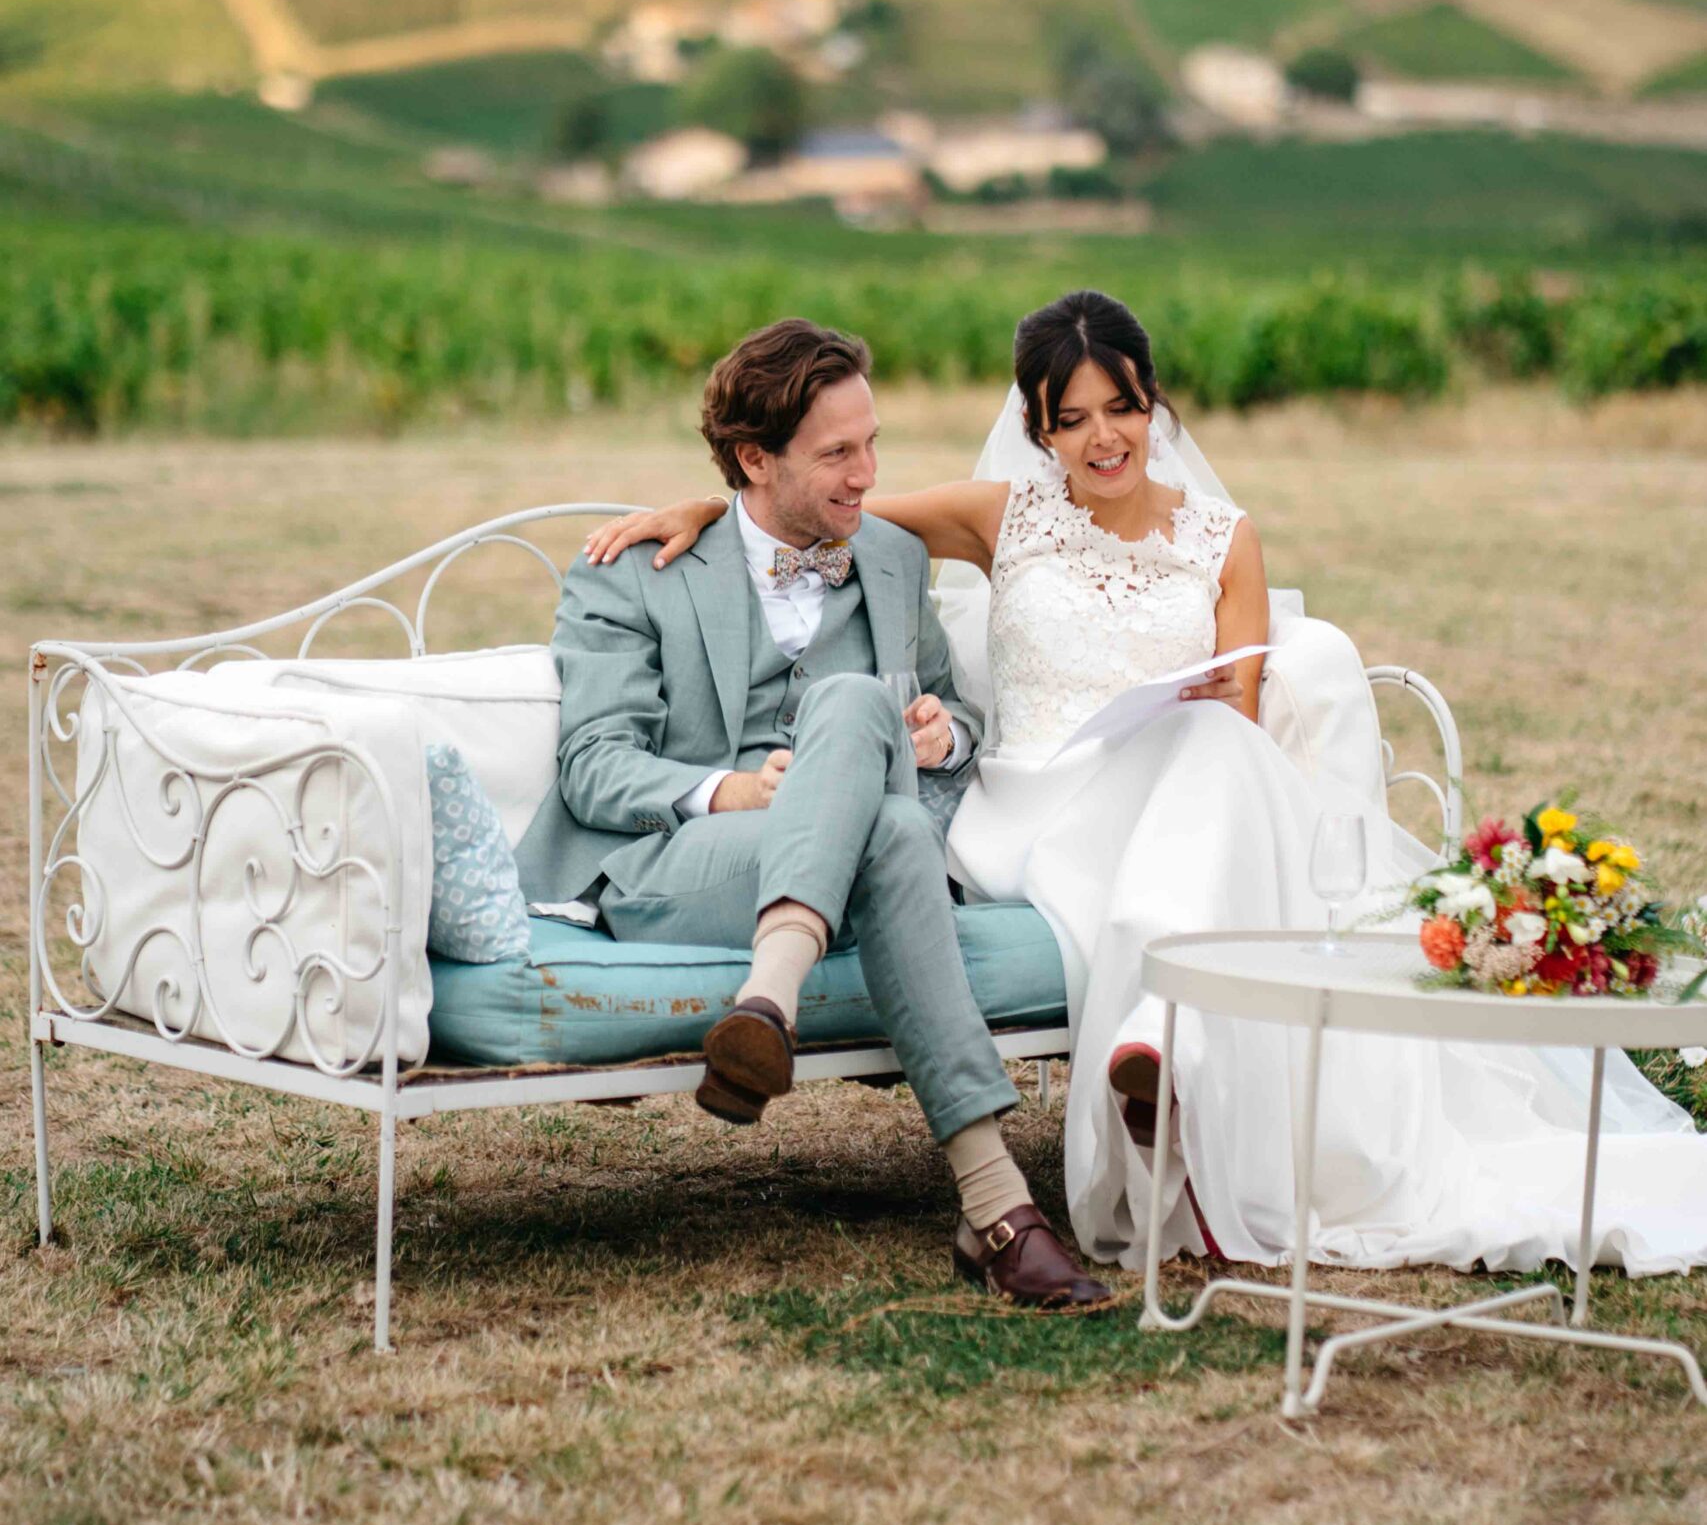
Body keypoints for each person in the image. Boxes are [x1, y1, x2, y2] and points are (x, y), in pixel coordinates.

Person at [587, 289, 1707, 1283]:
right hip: (1020, 815)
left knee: (1214, 744)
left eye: (1117, 408)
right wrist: (697, 511)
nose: (1099, 436)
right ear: (1035, 428)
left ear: (1153, 403)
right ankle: (1096, 1047)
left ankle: (1158, 1035)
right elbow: (806, 511)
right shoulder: (997, 514)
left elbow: (1238, 701)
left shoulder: (1226, 540)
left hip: (1157, 796)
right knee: (896, 709)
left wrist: (944, 725)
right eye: (1067, 418)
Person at [515, 317, 1108, 1309]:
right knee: (894, 825)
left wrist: (940, 734)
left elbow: (953, 709)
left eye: (874, 442)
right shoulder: (632, 570)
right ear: (755, 459)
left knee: (862, 720)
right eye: (838, 452)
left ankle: (769, 1002)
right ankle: (999, 1207)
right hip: (683, 856)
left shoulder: (886, 556)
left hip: (858, 833)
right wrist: (732, 790)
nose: (868, 473)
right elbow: (595, 769)